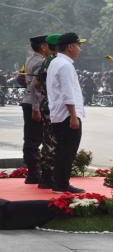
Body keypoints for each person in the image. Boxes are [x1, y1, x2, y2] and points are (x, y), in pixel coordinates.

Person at [46, 32, 86, 194]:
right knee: (67, 152)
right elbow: (68, 93)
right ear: (70, 47)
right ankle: (61, 185)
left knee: (62, 151)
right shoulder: (65, 65)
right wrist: (74, 116)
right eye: (78, 45)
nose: (79, 49)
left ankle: (59, 183)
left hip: (59, 115)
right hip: (67, 116)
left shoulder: (56, 62)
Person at [32, 33, 61, 189]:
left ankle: (47, 176)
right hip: (52, 107)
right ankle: (48, 177)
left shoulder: (47, 61)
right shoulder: (54, 61)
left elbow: (37, 84)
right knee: (52, 142)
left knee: (48, 141)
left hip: (46, 105)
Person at [22, 35, 49, 184]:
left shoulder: (31, 58)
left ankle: (33, 173)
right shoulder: (40, 61)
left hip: (29, 102)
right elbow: (35, 87)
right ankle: (33, 174)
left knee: (31, 138)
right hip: (34, 103)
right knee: (34, 139)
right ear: (43, 47)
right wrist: (36, 108)